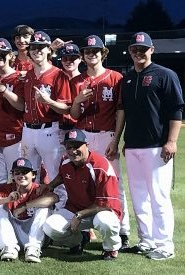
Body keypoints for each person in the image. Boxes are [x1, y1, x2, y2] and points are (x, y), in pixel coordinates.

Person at [118, 32, 183, 260]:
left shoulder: (165, 75)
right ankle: (146, 241)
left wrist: (172, 141)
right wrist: (122, 142)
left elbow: (176, 110)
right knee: (139, 197)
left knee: (159, 197)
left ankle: (165, 245)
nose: (138, 53)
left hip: (157, 147)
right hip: (133, 146)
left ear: (152, 50)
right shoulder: (127, 79)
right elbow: (124, 114)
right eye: (134, 49)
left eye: (142, 49)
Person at [69, 34, 130, 248]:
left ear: (103, 53)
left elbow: (121, 110)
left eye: (95, 51)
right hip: (83, 137)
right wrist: (77, 100)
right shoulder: (76, 81)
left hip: (106, 135)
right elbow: (74, 114)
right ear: (83, 56)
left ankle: (122, 230)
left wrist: (116, 138)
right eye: (87, 51)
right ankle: (84, 232)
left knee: (114, 183)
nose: (91, 54)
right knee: (83, 184)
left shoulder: (115, 78)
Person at [42, 130, 124, 260]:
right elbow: (62, 176)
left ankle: (111, 248)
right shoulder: (66, 162)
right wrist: (49, 186)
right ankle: (78, 241)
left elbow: (105, 204)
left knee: (104, 221)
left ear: (87, 145)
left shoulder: (100, 166)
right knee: (50, 227)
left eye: (77, 146)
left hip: (103, 211)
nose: (73, 151)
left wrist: (79, 215)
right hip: (76, 209)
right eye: (69, 147)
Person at [10, 31, 71, 186]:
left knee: (56, 174)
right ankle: (32, 209)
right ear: (29, 51)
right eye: (34, 47)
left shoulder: (58, 74)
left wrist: (49, 102)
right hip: (28, 131)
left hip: (50, 130)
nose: (37, 50)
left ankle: (61, 209)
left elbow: (66, 109)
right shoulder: (28, 75)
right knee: (27, 176)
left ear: (49, 50)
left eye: (41, 47)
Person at [0, 158, 58, 263]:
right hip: (14, 235)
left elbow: (54, 198)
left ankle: (33, 249)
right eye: (17, 173)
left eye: (25, 172)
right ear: (13, 176)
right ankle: (9, 247)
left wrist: (25, 206)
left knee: (45, 209)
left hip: (36, 236)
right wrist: (6, 199)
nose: (21, 175)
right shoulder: (7, 189)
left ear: (33, 175)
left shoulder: (38, 189)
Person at [0, 38, 25, 184]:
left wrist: (3, 90)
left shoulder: (19, 78)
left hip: (13, 137)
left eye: (3, 53)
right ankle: (1, 207)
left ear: (11, 56)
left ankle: (21, 206)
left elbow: (21, 106)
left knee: (18, 178)